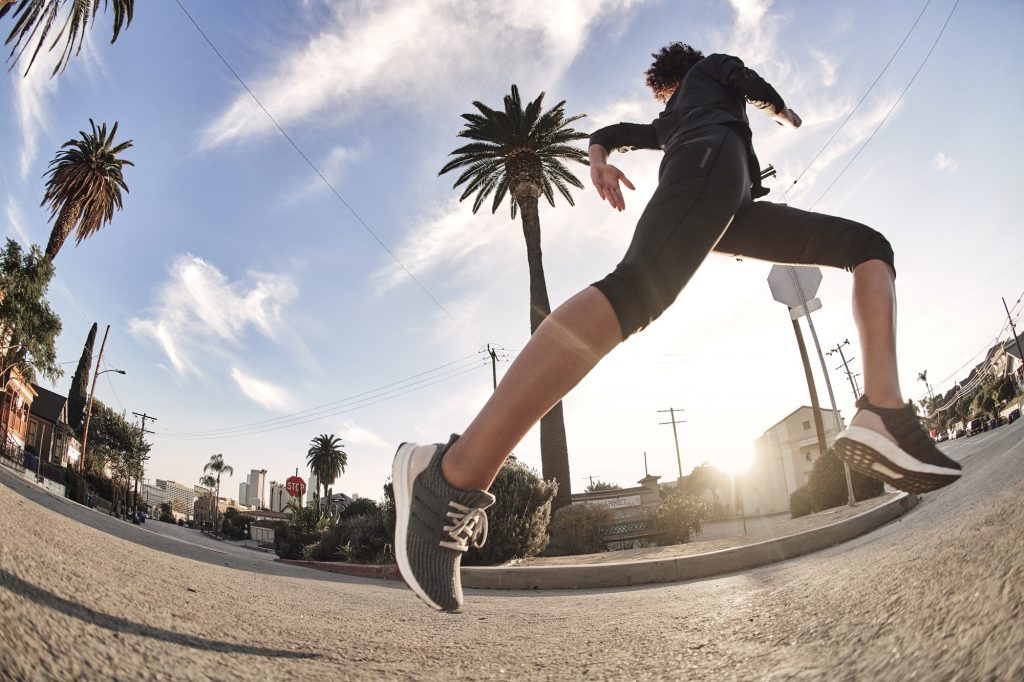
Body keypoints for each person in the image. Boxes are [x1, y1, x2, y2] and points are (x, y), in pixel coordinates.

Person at [392, 43, 962, 612]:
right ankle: (451, 474)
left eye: (665, 95)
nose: (669, 102)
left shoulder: (671, 119)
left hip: (731, 201)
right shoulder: (710, 70)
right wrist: (780, 110)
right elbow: (744, 77)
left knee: (866, 247)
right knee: (634, 291)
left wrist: (598, 158)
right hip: (711, 170)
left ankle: (882, 412)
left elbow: (612, 132)